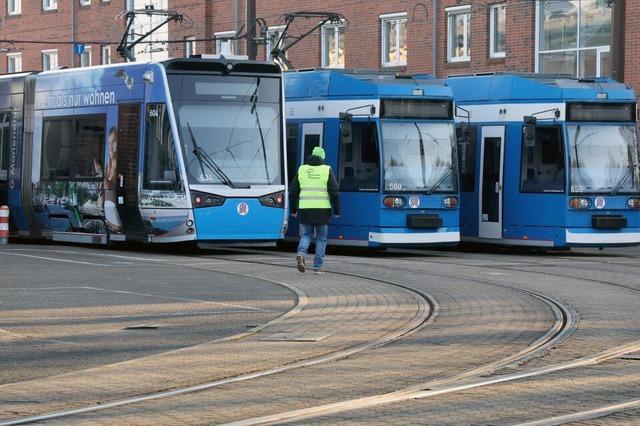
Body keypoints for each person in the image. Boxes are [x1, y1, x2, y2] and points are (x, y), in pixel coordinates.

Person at [289, 146, 340, 274]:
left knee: (306, 234)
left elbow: (293, 191)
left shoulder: (302, 169)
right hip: (322, 211)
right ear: (322, 157)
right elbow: (334, 192)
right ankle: (318, 267)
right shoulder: (326, 169)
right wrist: (337, 210)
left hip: (305, 209)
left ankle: (301, 253)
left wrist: (293, 209)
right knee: (321, 238)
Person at [94, 127, 123, 233]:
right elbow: (103, 193)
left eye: (114, 143)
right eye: (109, 143)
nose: (110, 147)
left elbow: (111, 190)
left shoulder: (121, 166)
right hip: (107, 222)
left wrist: (101, 173)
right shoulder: (107, 166)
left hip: (117, 225)